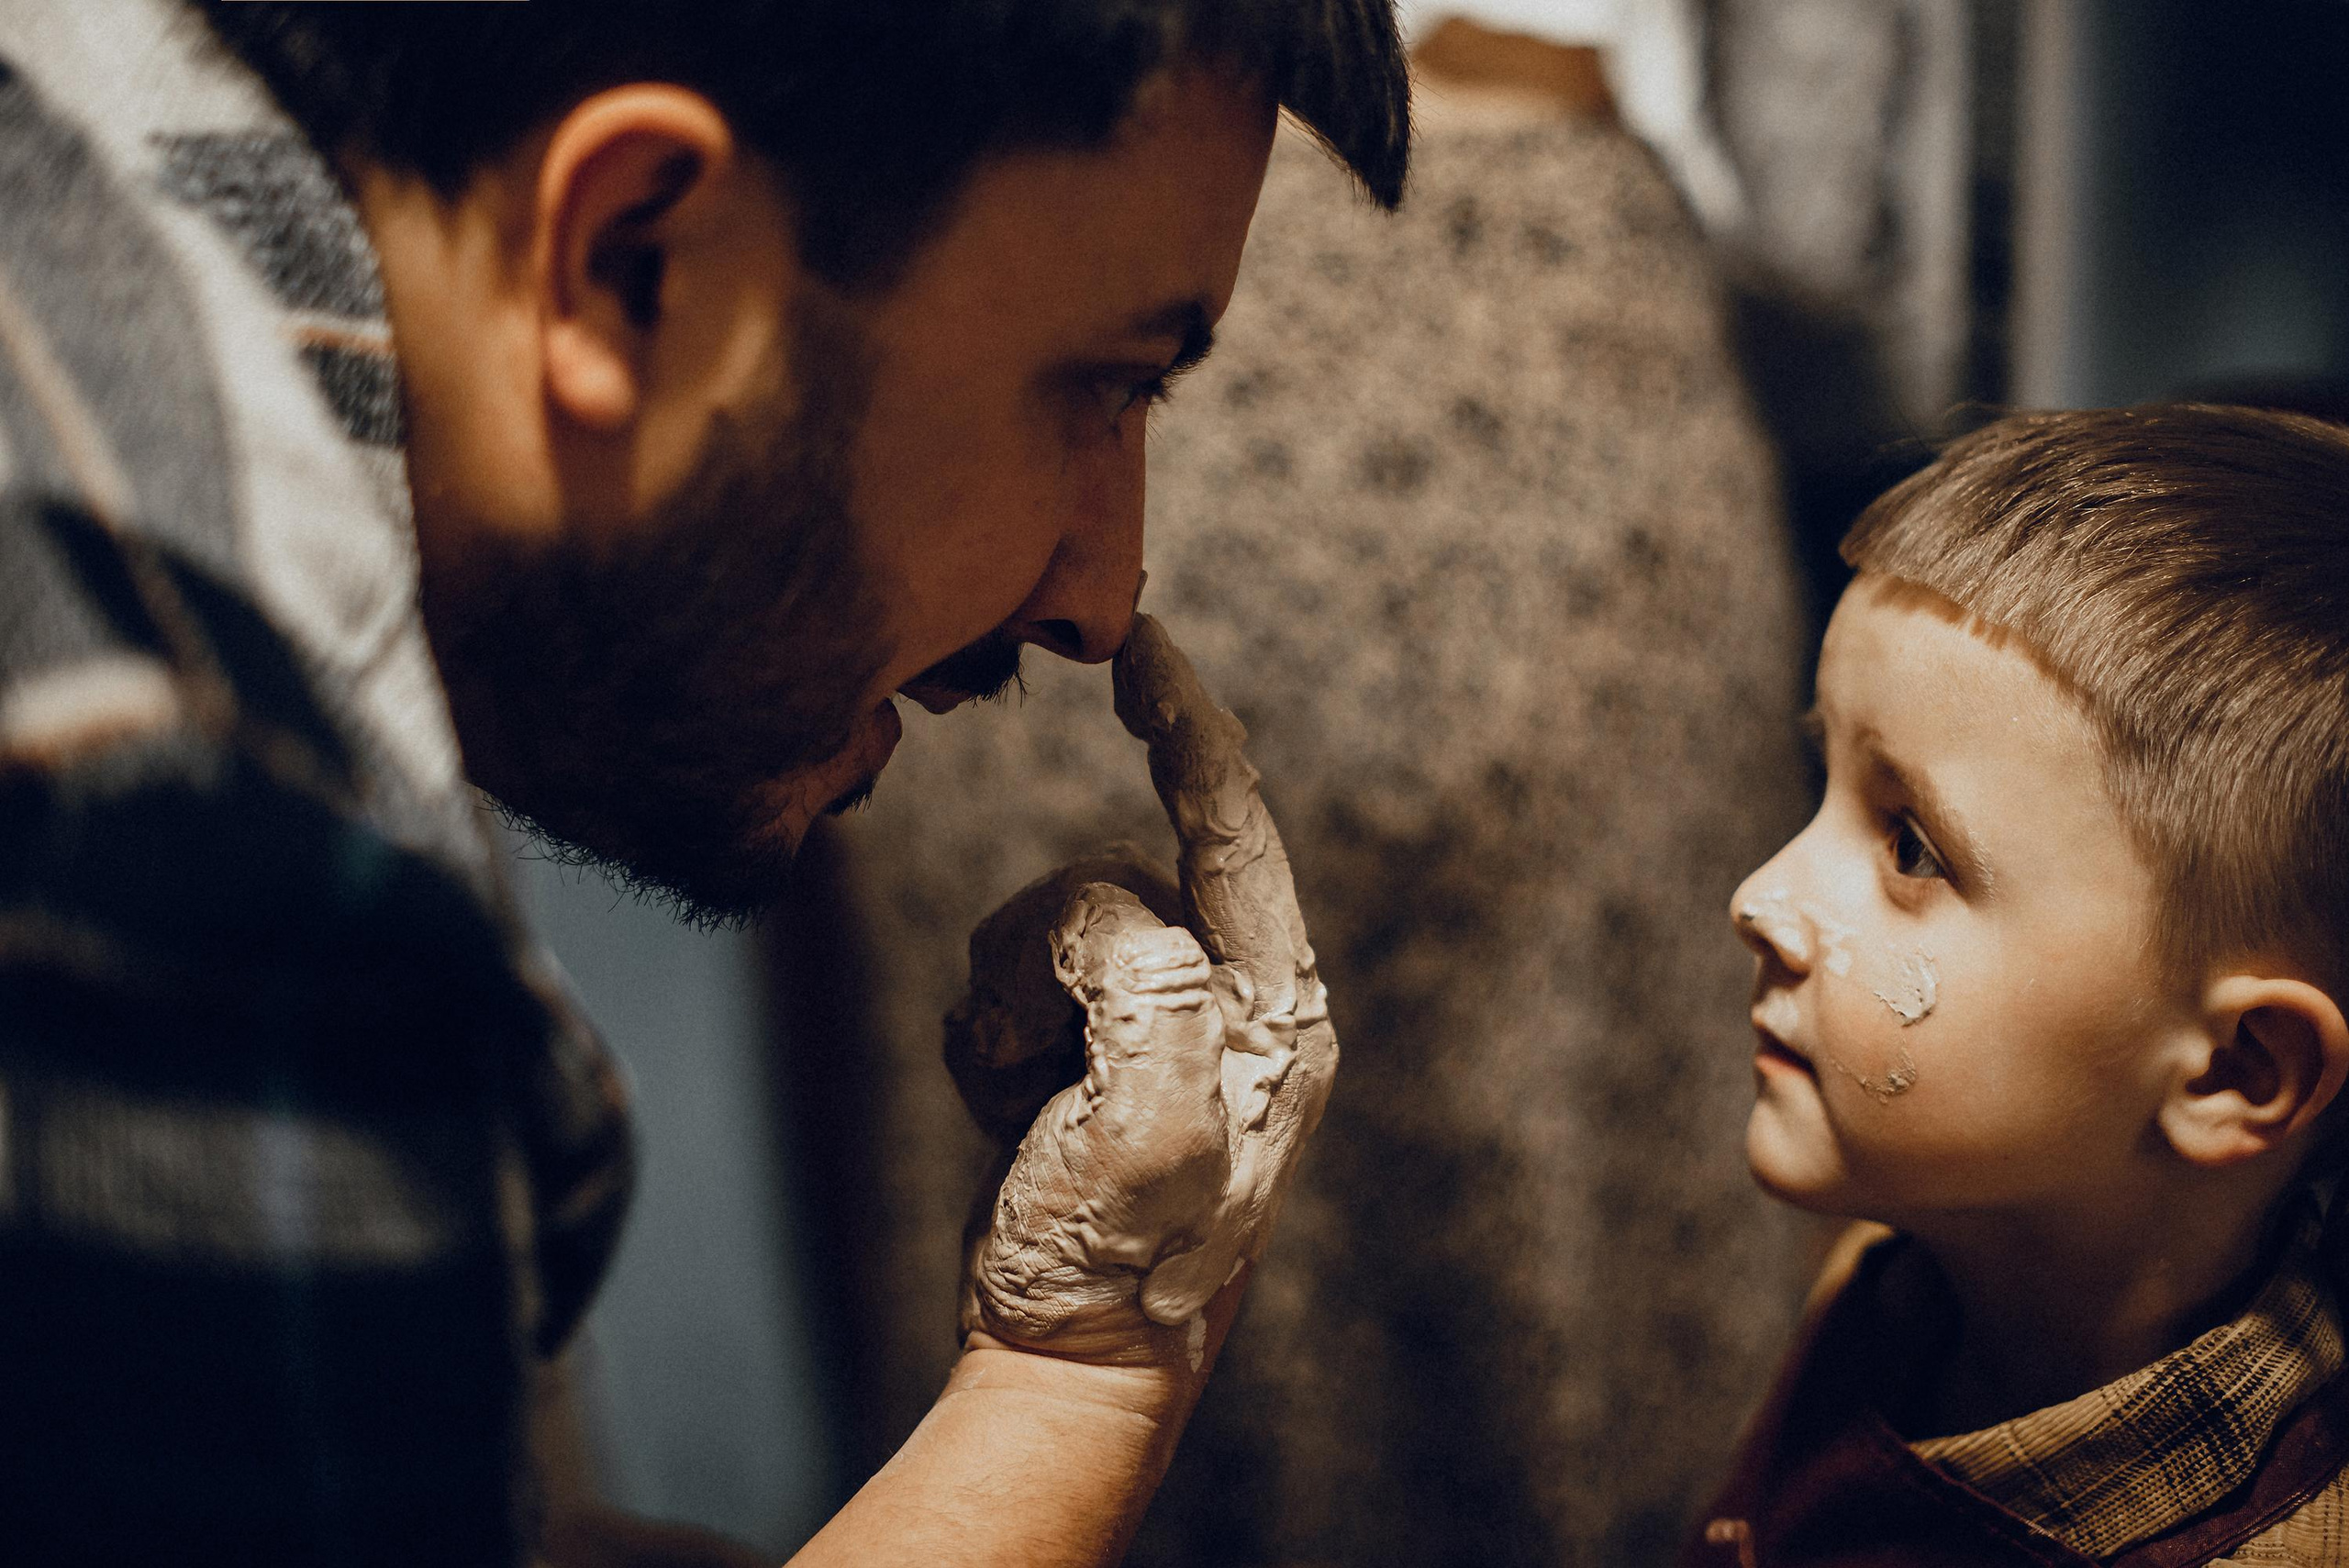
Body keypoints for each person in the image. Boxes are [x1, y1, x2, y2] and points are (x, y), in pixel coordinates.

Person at [0, 2, 1408, 1562]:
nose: (1101, 596)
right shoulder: (209, 857)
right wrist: (1084, 1368)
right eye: (1103, 382)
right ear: (634, 260)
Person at [1685, 405, 2349, 1567]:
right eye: (1820, 775)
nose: (1758, 897)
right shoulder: (1900, 1271)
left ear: (2234, 1069)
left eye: (1911, 848)